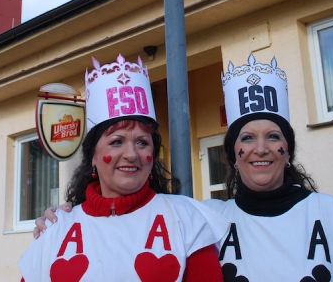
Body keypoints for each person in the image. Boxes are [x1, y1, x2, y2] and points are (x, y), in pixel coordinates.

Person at [37, 54, 333, 282]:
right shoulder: (208, 218)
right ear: (233, 155)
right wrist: (57, 218)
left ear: (287, 150)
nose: (261, 149)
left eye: (273, 136)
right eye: (247, 138)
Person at [18, 54, 228, 282]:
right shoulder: (56, 227)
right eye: (117, 141)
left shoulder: (186, 217)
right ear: (93, 157)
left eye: (142, 142)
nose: (131, 154)